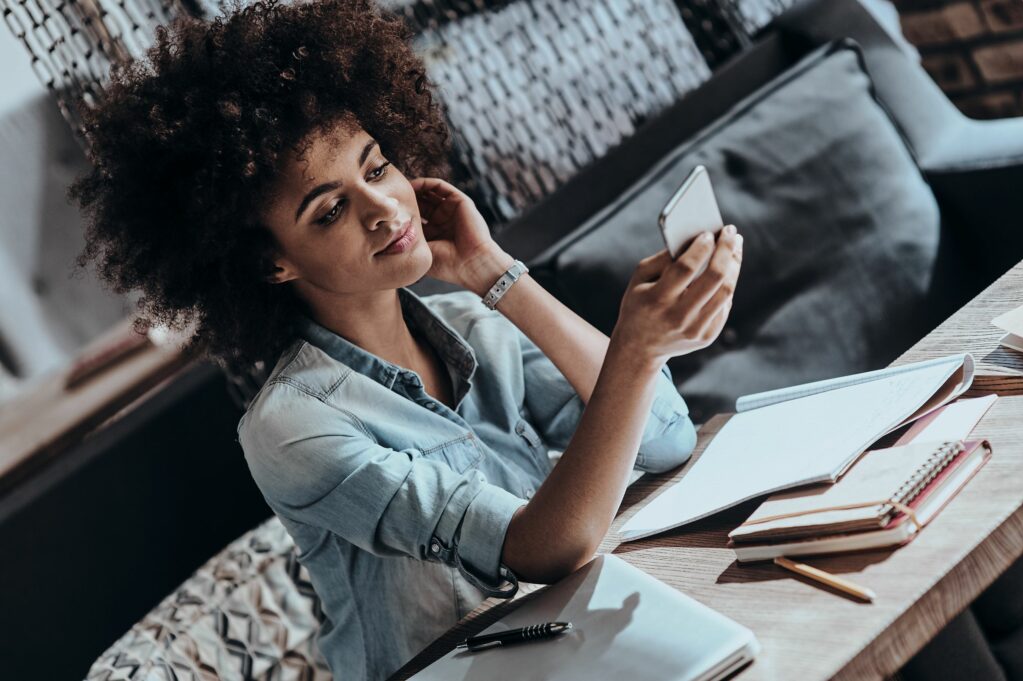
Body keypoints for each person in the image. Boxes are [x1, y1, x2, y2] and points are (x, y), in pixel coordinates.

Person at [69, 0, 742, 678]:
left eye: (377, 166)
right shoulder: (291, 424)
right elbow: (542, 548)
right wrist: (634, 350)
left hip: (573, 644)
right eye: (331, 209)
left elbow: (667, 435)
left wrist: (494, 273)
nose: (385, 208)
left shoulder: (475, 323)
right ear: (272, 263)